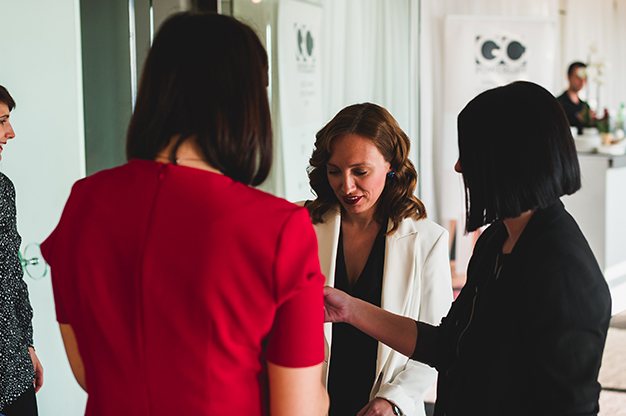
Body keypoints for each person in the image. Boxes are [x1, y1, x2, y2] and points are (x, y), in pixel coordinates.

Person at [40, 13, 328, 416]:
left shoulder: (84, 203)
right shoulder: (278, 228)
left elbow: (89, 373)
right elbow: (298, 409)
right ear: (246, 103)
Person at [324, 82, 612, 416]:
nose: (459, 167)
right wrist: (349, 309)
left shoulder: (564, 272)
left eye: (469, 153)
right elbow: (448, 345)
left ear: (508, 159)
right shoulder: (496, 241)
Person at [306, 103, 453, 416]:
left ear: (391, 165)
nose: (346, 186)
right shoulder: (300, 226)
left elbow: (436, 346)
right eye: (334, 171)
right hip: (309, 403)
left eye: (360, 172)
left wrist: (393, 400)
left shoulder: (428, 241)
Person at [0, 86, 44, 416]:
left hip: (12, 370)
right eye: (1, 121)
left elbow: (13, 278)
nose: (10, 133)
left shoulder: (3, 190)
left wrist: (26, 343)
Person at [557, 61, 593, 135]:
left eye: (585, 78)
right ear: (568, 77)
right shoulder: (557, 103)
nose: (582, 81)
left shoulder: (585, 106)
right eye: (578, 77)